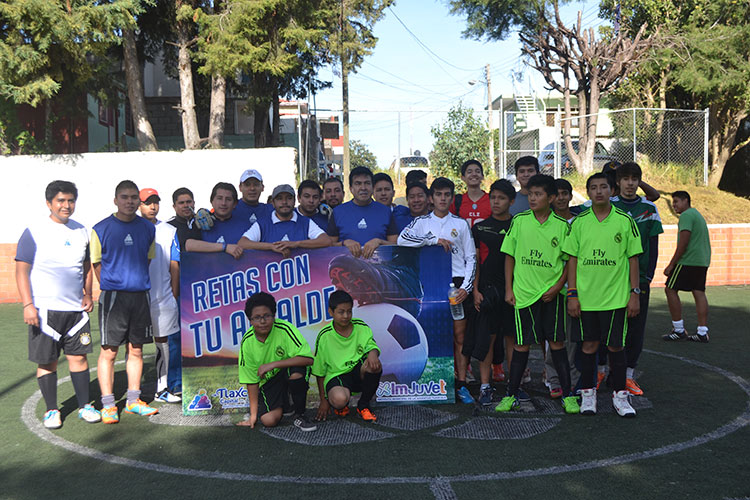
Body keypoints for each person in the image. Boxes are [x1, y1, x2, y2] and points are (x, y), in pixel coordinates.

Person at [15, 180, 100, 429]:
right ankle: (52, 410)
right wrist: (27, 305)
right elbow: (21, 271)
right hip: (44, 311)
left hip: (75, 312)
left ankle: (85, 406)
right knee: (48, 362)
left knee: (79, 359)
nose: (66, 205)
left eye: (71, 200)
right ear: (49, 203)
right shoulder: (34, 231)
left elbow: (85, 267)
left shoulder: (82, 230)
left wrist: (87, 293)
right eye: (61, 201)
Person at [495, 174, 579, 414]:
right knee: (521, 346)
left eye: (538, 194)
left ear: (551, 198)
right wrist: (509, 288)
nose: (532, 198)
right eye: (530, 194)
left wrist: (557, 287)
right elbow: (509, 256)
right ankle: (511, 395)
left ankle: (568, 395)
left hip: (552, 296)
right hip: (524, 295)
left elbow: (568, 262)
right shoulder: (520, 221)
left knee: (556, 344)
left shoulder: (562, 226)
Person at [562, 172, 642, 417]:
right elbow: (572, 260)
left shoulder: (625, 221)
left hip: (616, 298)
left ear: (612, 190)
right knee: (588, 346)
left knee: (616, 346)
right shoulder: (579, 222)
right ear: (588, 192)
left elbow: (633, 259)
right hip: (586, 299)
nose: (599, 191)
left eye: (603, 187)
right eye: (594, 187)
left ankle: (620, 397)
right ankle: (588, 395)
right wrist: (572, 294)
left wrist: (634, 293)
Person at [398, 177, 476, 404]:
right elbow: (403, 239)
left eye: (447, 195)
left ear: (452, 198)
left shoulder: (461, 224)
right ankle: (432, 383)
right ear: (431, 198)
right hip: (430, 283)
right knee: (430, 332)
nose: (443, 198)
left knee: (459, 336)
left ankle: (461, 384)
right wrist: (432, 239)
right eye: (438, 194)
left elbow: (471, 258)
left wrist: (466, 288)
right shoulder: (422, 222)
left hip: (456, 285)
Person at [91, 180, 159, 424]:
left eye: (133, 197)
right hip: (114, 298)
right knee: (109, 351)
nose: (129, 201)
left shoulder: (148, 229)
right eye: (124, 197)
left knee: (137, 349)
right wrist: (114, 283)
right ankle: (108, 404)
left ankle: (133, 401)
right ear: (115, 200)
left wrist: (133, 282)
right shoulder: (101, 228)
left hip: (140, 295)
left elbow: (147, 260)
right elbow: (97, 265)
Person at [611, 163, 663, 395]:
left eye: (635, 178)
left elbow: (653, 245)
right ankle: (603, 370)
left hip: (638, 279)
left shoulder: (649, 208)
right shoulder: (607, 206)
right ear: (618, 182)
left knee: (635, 328)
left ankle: (629, 375)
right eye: (626, 178)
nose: (630, 183)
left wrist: (648, 276)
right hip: (609, 279)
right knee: (608, 326)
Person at [237, 292, 317, 431]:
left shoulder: (285, 329)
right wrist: (253, 416)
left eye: (267, 316)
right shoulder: (247, 342)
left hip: (288, 371)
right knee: (269, 420)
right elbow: (251, 381)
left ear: (273, 315)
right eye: (257, 317)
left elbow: (308, 359)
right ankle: (286, 404)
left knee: (297, 373)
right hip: (270, 381)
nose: (262, 321)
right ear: (250, 320)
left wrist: (272, 365)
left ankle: (300, 415)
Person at [471, 179, 515, 406]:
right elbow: (476, 261)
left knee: (512, 338)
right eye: (493, 197)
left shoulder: (519, 225)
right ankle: (485, 386)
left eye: (502, 198)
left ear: (512, 201)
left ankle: (513, 385)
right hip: (487, 291)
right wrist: (476, 290)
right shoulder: (479, 227)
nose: (496, 202)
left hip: (513, 291)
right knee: (487, 339)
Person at [139, 188, 182, 404]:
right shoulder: (132, 228)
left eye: (155, 202)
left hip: (163, 296)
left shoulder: (169, 230)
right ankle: (132, 392)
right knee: (134, 344)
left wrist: (173, 295)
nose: (152, 206)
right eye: (147, 202)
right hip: (136, 297)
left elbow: (174, 265)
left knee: (163, 341)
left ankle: (162, 387)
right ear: (139, 205)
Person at [313, 290, 382, 422]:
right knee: (339, 400)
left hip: (357, 372)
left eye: (349, 311)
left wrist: (373, 353)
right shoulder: (324, 336)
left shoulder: (361, 326)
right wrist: (324, 400)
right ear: (331, 312)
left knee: (375, 366)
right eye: (341, 312)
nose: (345, 316)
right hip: (337, 375)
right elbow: (319, 372)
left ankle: (363, 406)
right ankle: (341, 406)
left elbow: (371, 345)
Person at [544, 178, 582, 398]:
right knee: (554, 337)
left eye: (564, 193)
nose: (560, 198)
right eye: (556, 194)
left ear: (570, 196)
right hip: (551, 288)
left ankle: (574, 380)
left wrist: (572, 288)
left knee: (575, 339)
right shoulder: (545, 222)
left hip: (575, 289)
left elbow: (575, 258)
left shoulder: (579, 223)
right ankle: (554, 379)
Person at [663, 191, 711, 343]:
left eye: (676, 201)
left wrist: (672, 264)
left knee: (670, 289)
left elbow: (683, 242)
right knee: (699, 292)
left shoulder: (686, 216)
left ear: (686, 201)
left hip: (688, 261)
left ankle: (678, 330)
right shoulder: (696, 214)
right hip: (701, 261)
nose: (674, 205)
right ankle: (702, 332)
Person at [326, 166, 398, 259]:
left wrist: (379, 241)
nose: (363, 188)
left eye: (367, 183)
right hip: (347, 269)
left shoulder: (386, 211)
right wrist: (344, 243)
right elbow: (329, 246)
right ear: (351, 188)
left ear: (372, 187)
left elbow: (396, 246)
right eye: (358, 183)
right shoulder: (338, 212)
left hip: (379, 269)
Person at [238, 184, 331, 254]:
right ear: (273, 203)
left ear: (295, 201)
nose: (284, 202)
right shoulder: (263, 223)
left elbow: (325, 240)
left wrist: (296, 244)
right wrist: (271, 246)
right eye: (279, 198)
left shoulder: (305, 222)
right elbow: (242, 243)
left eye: (289, 198)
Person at [185, 182, 245, 259]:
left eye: (228, 199)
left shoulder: (244, 225)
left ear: (235, 204)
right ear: (212, 201)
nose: (223, 203)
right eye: (219, 198)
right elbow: (189, 245)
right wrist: (225, 248)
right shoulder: (201, 221)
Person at [450, 159, 491, 228]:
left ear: (482, 176)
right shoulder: (456, 201)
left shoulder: (491, 199)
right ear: (463, 177)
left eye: (477, 171)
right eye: (469, 172)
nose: (474, 174)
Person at [167, 187, 202, 251]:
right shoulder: (168, 227)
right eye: (181, 203)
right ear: (174, 206)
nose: (186, 205)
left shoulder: (203, 223)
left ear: (194, 203)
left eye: (188, 202)